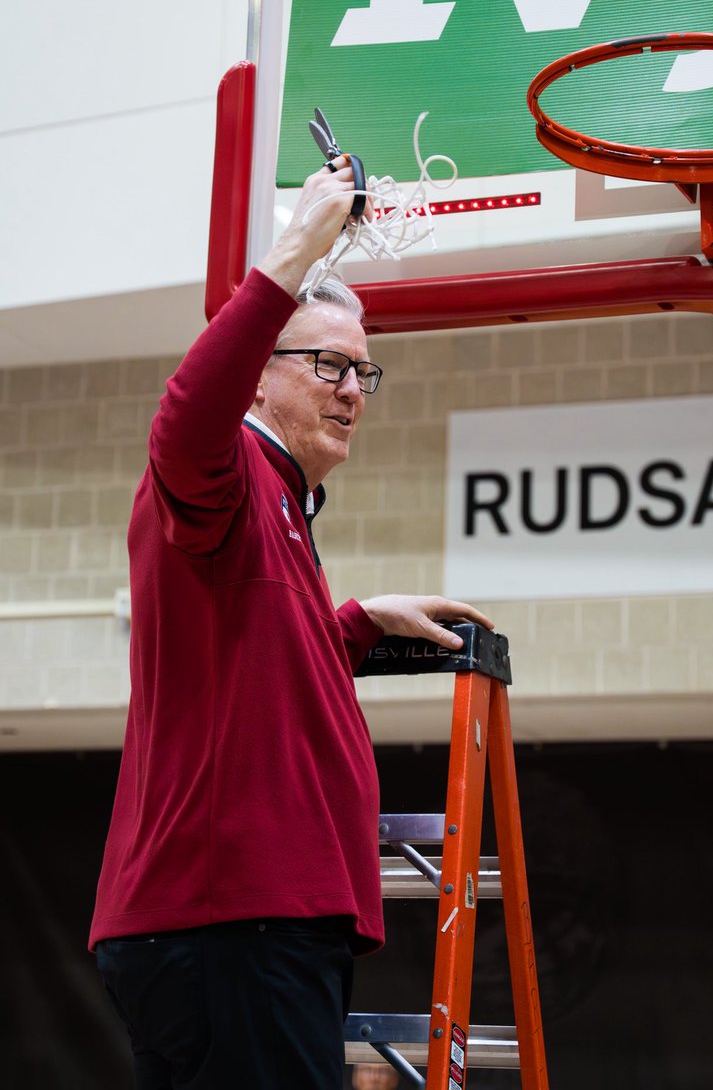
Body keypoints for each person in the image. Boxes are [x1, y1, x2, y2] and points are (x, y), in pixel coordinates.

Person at [90, 156, 493, 1089]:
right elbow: (184, 419)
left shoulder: (277, 506)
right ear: (261, 379)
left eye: (363, 371)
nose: (352, 389)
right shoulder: (222, 471)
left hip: (252, 924)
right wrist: (297, 247)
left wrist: (350, 621)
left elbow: (252, 661)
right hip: (228, 923)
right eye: (327, 365)